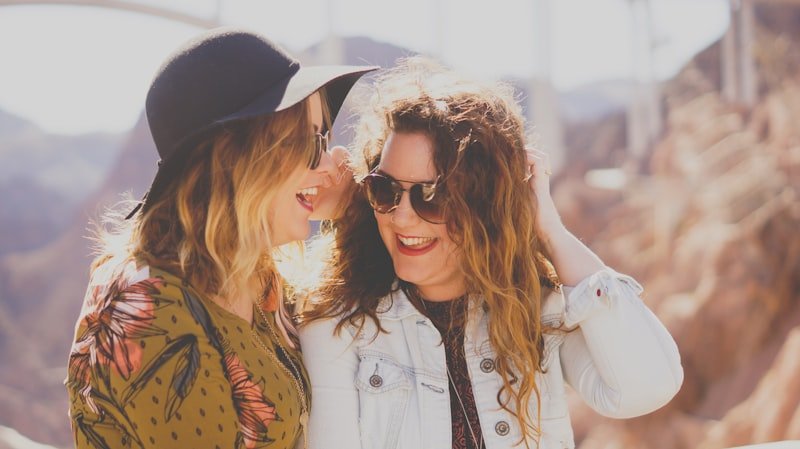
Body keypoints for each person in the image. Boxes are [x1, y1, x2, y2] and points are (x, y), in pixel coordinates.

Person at [299, 58, 684, 449]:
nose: (402, 217)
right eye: (386, 189)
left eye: (431, 195)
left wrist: (550, 229)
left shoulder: (533, 307)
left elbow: (646, 387)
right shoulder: (339, 324)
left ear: (483, 204)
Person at [64, 28, 376, 449]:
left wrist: (355, 212)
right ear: (238, 158)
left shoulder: (258, 277)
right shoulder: (146, 307)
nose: (328, 166)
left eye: (325, 141)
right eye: (310, 143)